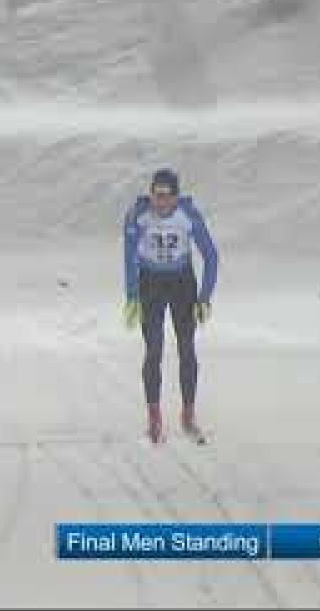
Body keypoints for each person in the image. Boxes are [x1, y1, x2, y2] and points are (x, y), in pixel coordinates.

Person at [122, 168, 219, 443]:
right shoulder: (137, 214)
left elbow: (211, 255)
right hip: (150, 283)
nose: (160, 202)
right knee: (153, 349)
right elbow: (129, 257)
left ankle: (188, 414)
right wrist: (131, 297)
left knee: (186, 348)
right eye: (155, 194)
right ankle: (154, 414)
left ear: (176, 197)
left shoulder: (187, 214)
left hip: (181, 282)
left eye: (166, 196)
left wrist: (204, 296)